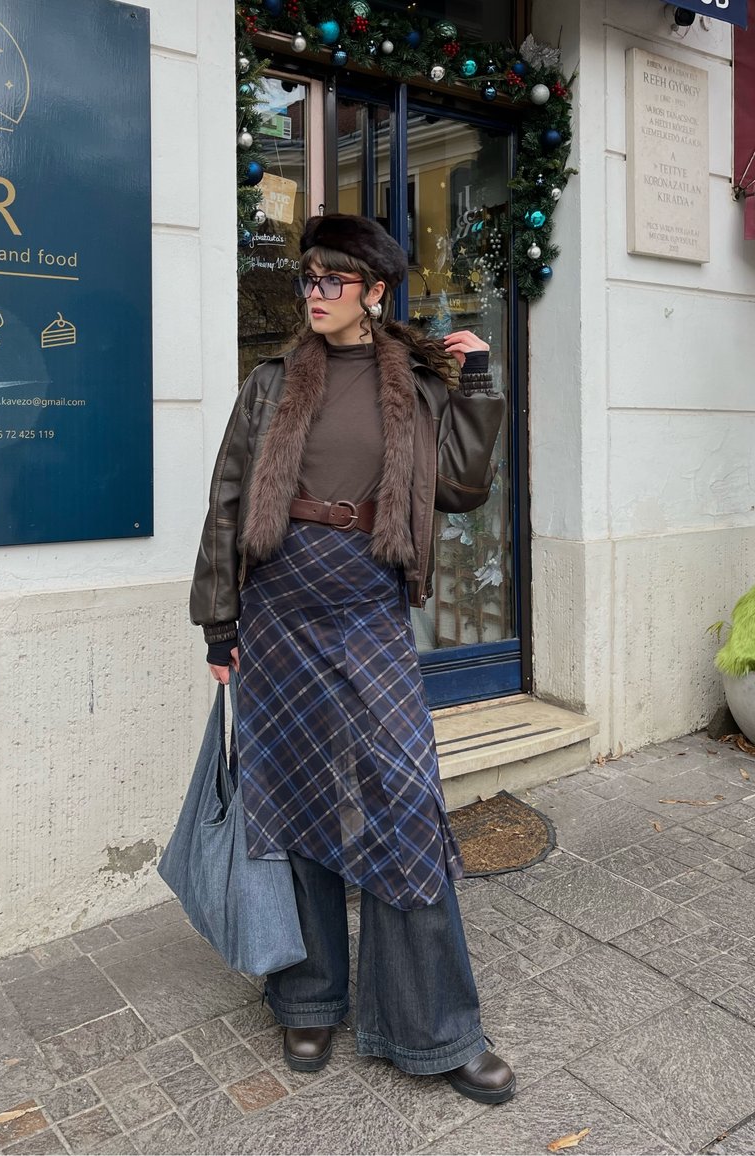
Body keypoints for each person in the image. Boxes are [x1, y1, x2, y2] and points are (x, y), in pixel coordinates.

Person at [189, 213, 515, 1105]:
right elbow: (228, 500)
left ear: (375, 291)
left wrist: (479, 381)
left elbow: (462, 489)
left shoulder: (416, 383)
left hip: (368, 607)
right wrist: (219, 622)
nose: (316, 293)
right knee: (292, 800)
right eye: (308, 278)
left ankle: (436, 1028)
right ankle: (308, 998)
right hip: (279, 609)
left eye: (333, 279)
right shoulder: (269, 384)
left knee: (404, 804)